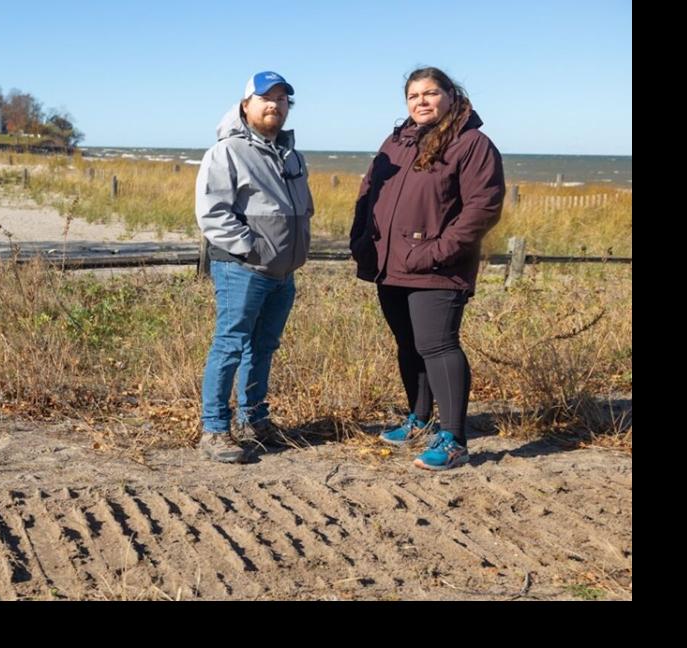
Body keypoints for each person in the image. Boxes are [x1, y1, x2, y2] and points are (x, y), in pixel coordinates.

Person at [350, 67, 505, 471]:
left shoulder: (472, 144)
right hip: (391, 265)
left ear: (450, 96)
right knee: (409, 343)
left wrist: (437, 251)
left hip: (439, 268)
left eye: (431, 93)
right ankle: (418, 420)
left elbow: (482, 209)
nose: (421, 101)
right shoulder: (397, 141)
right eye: (413, 95)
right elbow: (368, 193)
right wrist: (361, 239)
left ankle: (453, 439)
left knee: (438, 346)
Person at [194, 71, 314, 464]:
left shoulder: (291, 154)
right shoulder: (226, 152)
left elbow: (301, 208)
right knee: (229, 346)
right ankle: (214, 430)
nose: (274, 105)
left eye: (282, 99)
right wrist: (251, 248)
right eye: (266, 98)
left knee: (262, 347)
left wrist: (291, 252)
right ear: (246, 105)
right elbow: (212, 214)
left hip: (283, 273)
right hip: (243, 270)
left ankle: (254, 420)